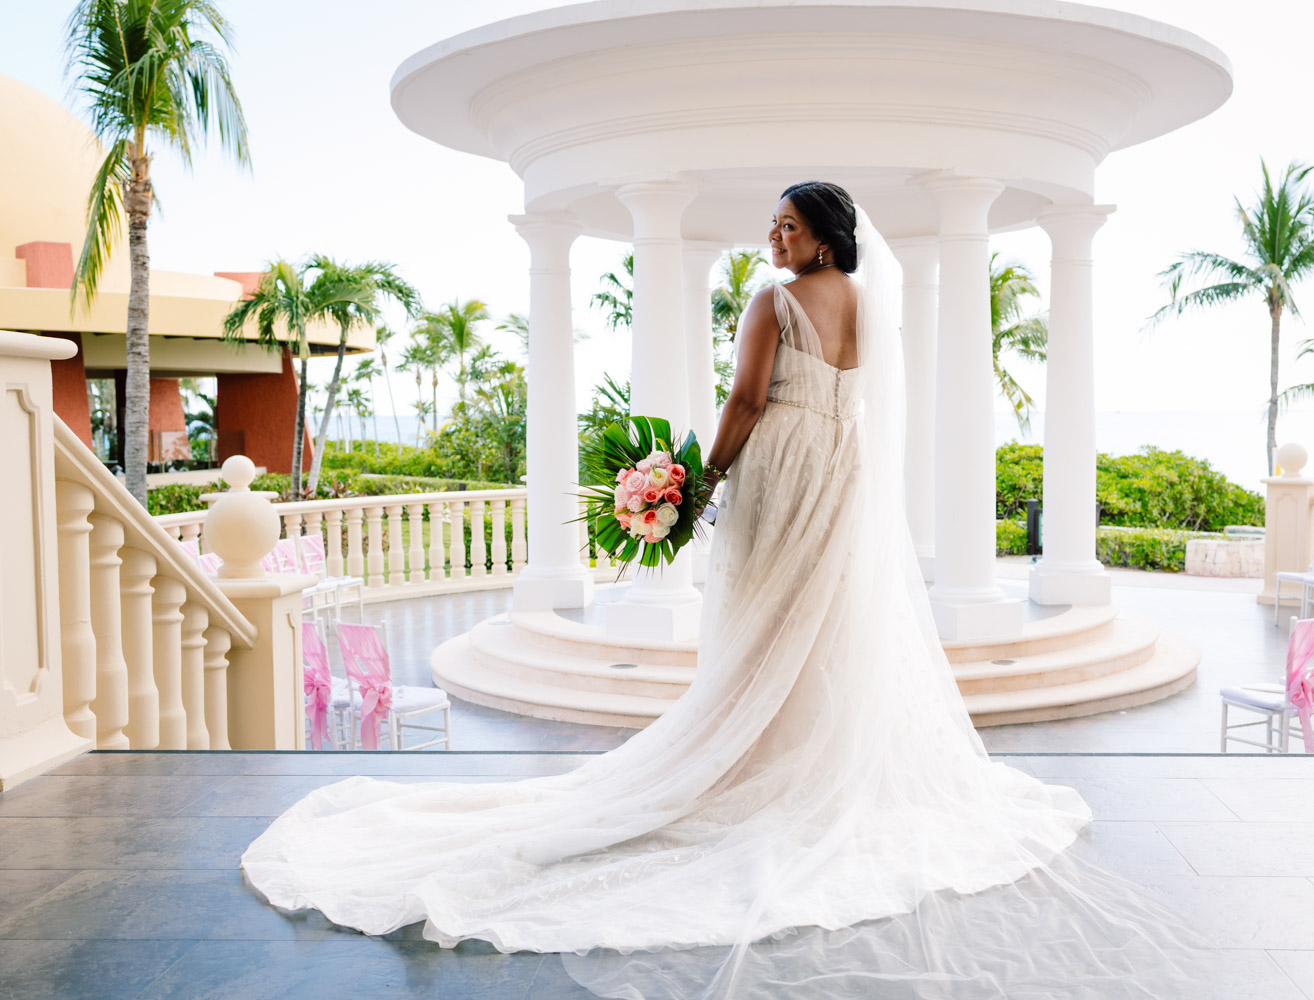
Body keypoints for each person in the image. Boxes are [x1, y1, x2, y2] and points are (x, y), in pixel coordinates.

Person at [241, 181, 1221, 998]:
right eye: (773, 226)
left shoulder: (772, 300)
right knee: (820, 616)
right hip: (841, 466)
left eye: (789, 225)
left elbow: (748, 399)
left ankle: (753, 755)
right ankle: (792, 749)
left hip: (784, 464)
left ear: (827, 236)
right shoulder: (870, 306)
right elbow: (861, 394)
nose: (774, 237)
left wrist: (701, 479)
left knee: (763, 615)